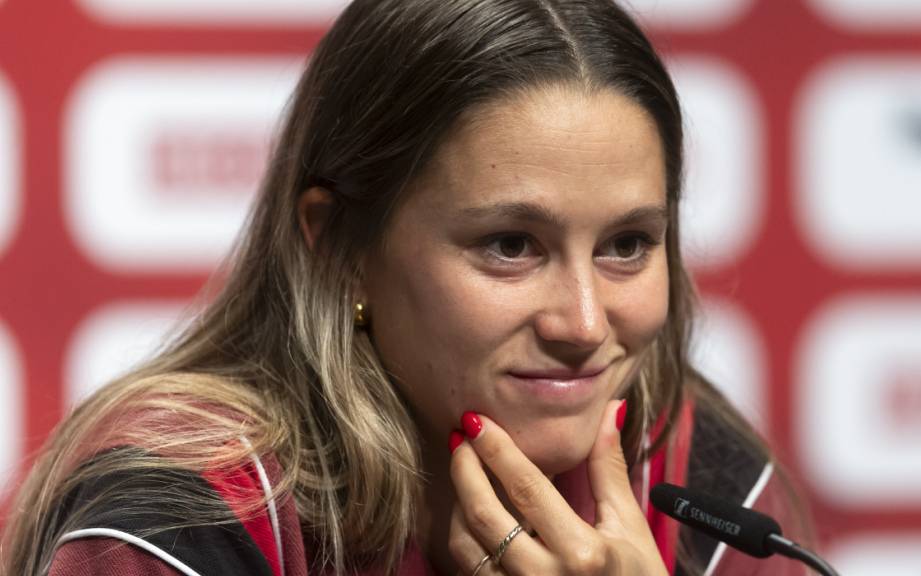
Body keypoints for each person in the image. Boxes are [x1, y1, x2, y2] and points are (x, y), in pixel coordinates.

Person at [1, 1, 810, 574]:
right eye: (510, 246)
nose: (585, 323)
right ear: (339, 245)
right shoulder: (183, 512)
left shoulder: (699, 480)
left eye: (627, 245)